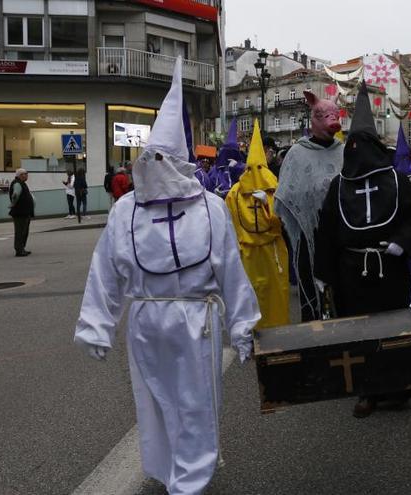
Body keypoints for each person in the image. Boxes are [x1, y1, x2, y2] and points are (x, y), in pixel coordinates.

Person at [73, 58, 260, 495]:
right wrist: (97, 325)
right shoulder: (125, 211)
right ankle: (170, 467)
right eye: (151, 156)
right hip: (146, 324)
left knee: (196, 403)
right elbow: (105, 271)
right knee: (154, 403)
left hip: (198, 322)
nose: (156, 164)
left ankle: (190, 481)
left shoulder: (211, 208)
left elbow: (231, 267)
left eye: (165, 157)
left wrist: (243, 324)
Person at [315, 81, 411, 419]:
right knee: (358, 331)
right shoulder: (339, 185)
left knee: (393, 328)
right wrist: (323, 272)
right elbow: (327, 231)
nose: (358, 151)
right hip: (353, 271)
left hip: (388, 267)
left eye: (364, 144)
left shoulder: (395, 180)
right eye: (353, 144)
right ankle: (366, 389)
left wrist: (402, 243)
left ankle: (398, 385)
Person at [274, 90, 343, 322]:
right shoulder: (296, 154)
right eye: (323, 115)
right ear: (313, 118)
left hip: (339, 235)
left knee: (339, 290)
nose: (330, 120)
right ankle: (311, 327)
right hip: (308, 234)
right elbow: (286, 192)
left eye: (333, 114)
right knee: (310, 286)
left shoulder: (343, 152)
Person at [225, 120, 290, 329]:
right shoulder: (235, 193)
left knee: (274, 296)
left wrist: (268, 204)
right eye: (252, 168)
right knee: (249, 295)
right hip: (248, 254)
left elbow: (282, 222)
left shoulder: (275, 189)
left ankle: (276, 332)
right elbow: (230, 223)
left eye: (260, 167)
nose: (256, 173)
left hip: (272, 253)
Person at [208, 119, 246, 198]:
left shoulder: (243, 168)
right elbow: (208, 186)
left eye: (234, 152)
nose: (230, 155)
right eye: (228, 152)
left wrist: (238, 168)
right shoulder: (215, 170)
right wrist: (214, 193)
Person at [9, 169, 34, 257]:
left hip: (24, 212)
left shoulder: (21, 183)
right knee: (20, 232)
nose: (27, 175)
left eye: (27, 174)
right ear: (20, 175)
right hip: (20, 212)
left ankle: (22, 248)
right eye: (25, 174)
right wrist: (13, 203)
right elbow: (15, 194)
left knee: (24, 231)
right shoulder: (17, 183)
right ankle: (19, 250)